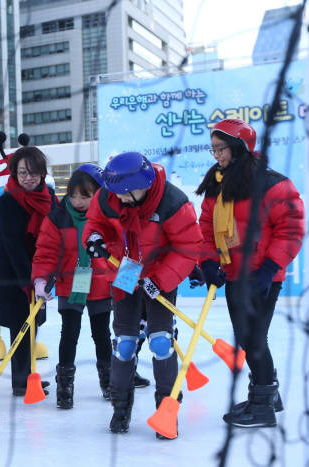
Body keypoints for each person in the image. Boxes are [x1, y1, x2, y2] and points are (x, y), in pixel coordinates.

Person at [83, 151, 202, 438]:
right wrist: (94, 239)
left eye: (124, 194)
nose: (118, 199)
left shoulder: (173, 202)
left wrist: (160, 281)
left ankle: (167, 410)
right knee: (124, 344)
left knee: (161, 343)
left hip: (160, 272)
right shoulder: (108, 196)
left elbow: (188, 247)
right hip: (124, 270)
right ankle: (120, 407)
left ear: (143, 186)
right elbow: (93, 224)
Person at [195, 118, 304, 428]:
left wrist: (270, 269)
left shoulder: (271, 183)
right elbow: (205, 226)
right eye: (213, 149)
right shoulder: (218, 181)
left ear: (240, 147)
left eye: (221, 149)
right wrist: (207, 261)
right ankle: (268, 395)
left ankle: (262, 405)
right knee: (250, 338)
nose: (216, 155)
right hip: (234, 273)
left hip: (260, 275)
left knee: (252, 338)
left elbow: (291, 229)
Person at [31, 164, 116, 409]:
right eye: (73, 195)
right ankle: (64, 387)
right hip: (71, 283)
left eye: (85, 196)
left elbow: (121, 251)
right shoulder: (58, 217)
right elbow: (46, 252)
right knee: (69, 334)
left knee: (102, 335)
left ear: (98, 194)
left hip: (100, 282)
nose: (78, 201)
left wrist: (129, 279)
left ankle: (108, 381)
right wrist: (41, 280)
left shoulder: (108, 218)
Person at [0, 146, 57, 396]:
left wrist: (45, 272)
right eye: (21, 172)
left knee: (34, 319)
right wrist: (27, 278)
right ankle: (21, 381)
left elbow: (57, 229)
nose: (27, 177)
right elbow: (12, 242)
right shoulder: (7, 200)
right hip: (11, 266)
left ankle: (29, 375)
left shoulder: (49, 196)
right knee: (19, 322)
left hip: (38, 263)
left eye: (33, 172)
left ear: (42, 172)